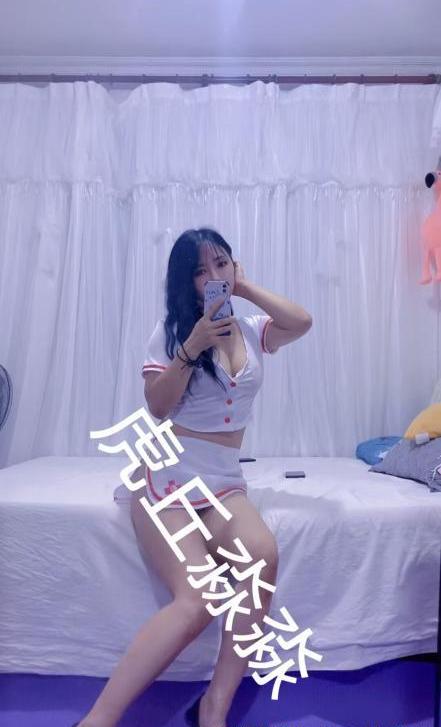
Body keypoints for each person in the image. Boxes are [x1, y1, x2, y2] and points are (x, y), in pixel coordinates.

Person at [74, 228, 313, 727]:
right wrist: (192, 346)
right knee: (200, 599)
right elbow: (158, 407)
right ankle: (98, 720)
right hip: (168, 476)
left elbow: (302, 322)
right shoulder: (170, 333)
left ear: (233, 266)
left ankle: (214, 707)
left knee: (263, 556)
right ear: (186, 283)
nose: (213, 276)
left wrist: (245, 288)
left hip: (223, 481)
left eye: (221, 264)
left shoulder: (251, 330)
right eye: (200, 271)